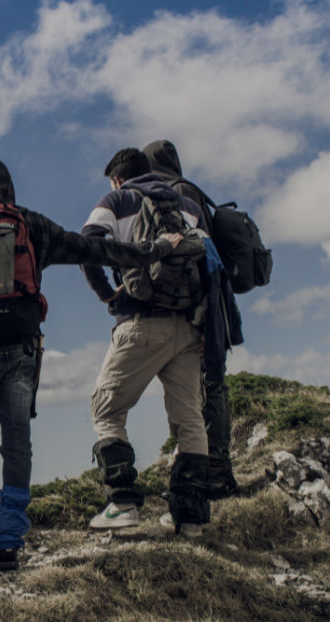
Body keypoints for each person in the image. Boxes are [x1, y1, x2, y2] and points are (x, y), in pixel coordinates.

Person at [0, 157, 180, 572]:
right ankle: (6, 546)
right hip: (22, 353)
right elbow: (95, 248)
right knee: (16, 444)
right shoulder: (31, 223)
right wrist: (157, 249)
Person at [79, 147, 212, 537]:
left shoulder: (117, 200)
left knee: (106, 409)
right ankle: (190, 519)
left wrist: (107, 294)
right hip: (188, 327)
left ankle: (123, 504)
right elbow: (210, 262)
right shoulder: (188, 206)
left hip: (140, 322)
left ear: (118, 179)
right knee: (190, 418)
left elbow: (88, 244)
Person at [143, 139, 245, 500]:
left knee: (207, 385)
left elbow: (197, 257)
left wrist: (199, 317)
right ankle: (208, 471)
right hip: (211, 304)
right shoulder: (191, 190)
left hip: (203, 307)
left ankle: (215, 474)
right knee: (204, 385)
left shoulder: (176, 194)